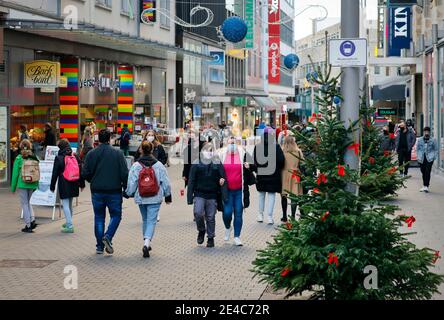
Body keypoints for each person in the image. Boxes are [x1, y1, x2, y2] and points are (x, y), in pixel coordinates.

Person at [81, 129, 129, 255]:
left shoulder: (92, 154)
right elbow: (124, 173)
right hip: (114, 190)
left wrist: (93, 180)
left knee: (99, 217)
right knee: (116, 215)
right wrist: (126, 187)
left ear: (98, 139)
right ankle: (108, 236)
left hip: (97, 191)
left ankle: (99, 246)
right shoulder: (118, 153)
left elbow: (85, 173)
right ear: (109, 139)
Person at [126, 141, 172, 258]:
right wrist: (167, 195)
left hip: (141, 197)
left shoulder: (136, 166)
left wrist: (128, 193)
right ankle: (147, 243)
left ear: (141, 150)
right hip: (155, 197)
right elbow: (166, 182)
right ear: (152, 150)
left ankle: (146, 241)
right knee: (151, 220)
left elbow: (132, 182)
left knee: (145, 219)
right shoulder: (159, 165)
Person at [187, 142, 227, 248]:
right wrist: (189, 197)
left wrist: (222, 181)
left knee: (210, 217)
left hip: (212, 194)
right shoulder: (196, 163)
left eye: (211, 150)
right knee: (198, 213)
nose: (209, 152)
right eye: (207, 150)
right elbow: (191, 180)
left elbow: (223, 176)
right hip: (199, 193)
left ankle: (210, 237)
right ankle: (201, 230)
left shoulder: (217, 163)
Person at [218, 137, 254, 246]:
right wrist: (219, 180)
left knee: (238, 212)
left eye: (233, 143)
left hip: (239, 190)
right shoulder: (221, 154)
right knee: (227, 213)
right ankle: (228, 227)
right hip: (227, 190)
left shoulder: (243, 153)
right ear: (226, 144)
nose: (231, 145)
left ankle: (237, 236)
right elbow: (216, 170)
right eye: (229, 143)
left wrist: (249, 166)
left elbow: (254, 166)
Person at [50, 139, 85, 233]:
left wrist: (52, 186)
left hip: (64, 183)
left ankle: (69, 225)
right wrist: (82, 184)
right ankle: (68, 221)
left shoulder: (59, 157)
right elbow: (80, 171)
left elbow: (54, 174)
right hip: (74, 182)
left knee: (65, 204)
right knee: (70, 204)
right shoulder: (75, 155)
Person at [252, 128, 285, 225]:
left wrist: (258, 169)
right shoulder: (276, 147)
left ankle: (260, 215)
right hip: (273, 176)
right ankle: (269, 217)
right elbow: (281, 160)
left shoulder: (258, 147)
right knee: (271, 195)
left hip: (261, 175)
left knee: (261, 195)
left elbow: (254, 161)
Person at [11, 139, 39, 233]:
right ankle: (32, 220)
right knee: (28, 202)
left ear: (20, 147)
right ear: (30, 146)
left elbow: (15, 175)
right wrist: (37, 184)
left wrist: (13, 188)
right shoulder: (34, 157)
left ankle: (28, 225)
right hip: (32, 183)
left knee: (24, 204)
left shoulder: (19, 158)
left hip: (22, 183)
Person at [280, 136, 304, 222]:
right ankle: (293, 216)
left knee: (284, 195)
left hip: (284, 174)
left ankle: (284, 216)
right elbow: (302, 163)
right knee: (294, 196)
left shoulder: (283, 152)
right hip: (295, 174)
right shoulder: (298, 152)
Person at [416, 127, 438, 193]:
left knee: (427, 171)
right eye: (425, 131)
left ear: (429, 132)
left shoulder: (433, 140)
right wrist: (418, 156)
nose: (426, 133)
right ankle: (424, 185)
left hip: (430, 158)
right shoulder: (420, 139)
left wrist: (434, 157)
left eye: (427, 132)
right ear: (423, 132)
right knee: (423, 171)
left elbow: (436, 149)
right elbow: (417, 149)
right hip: (421, 157)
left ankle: (426, 186)